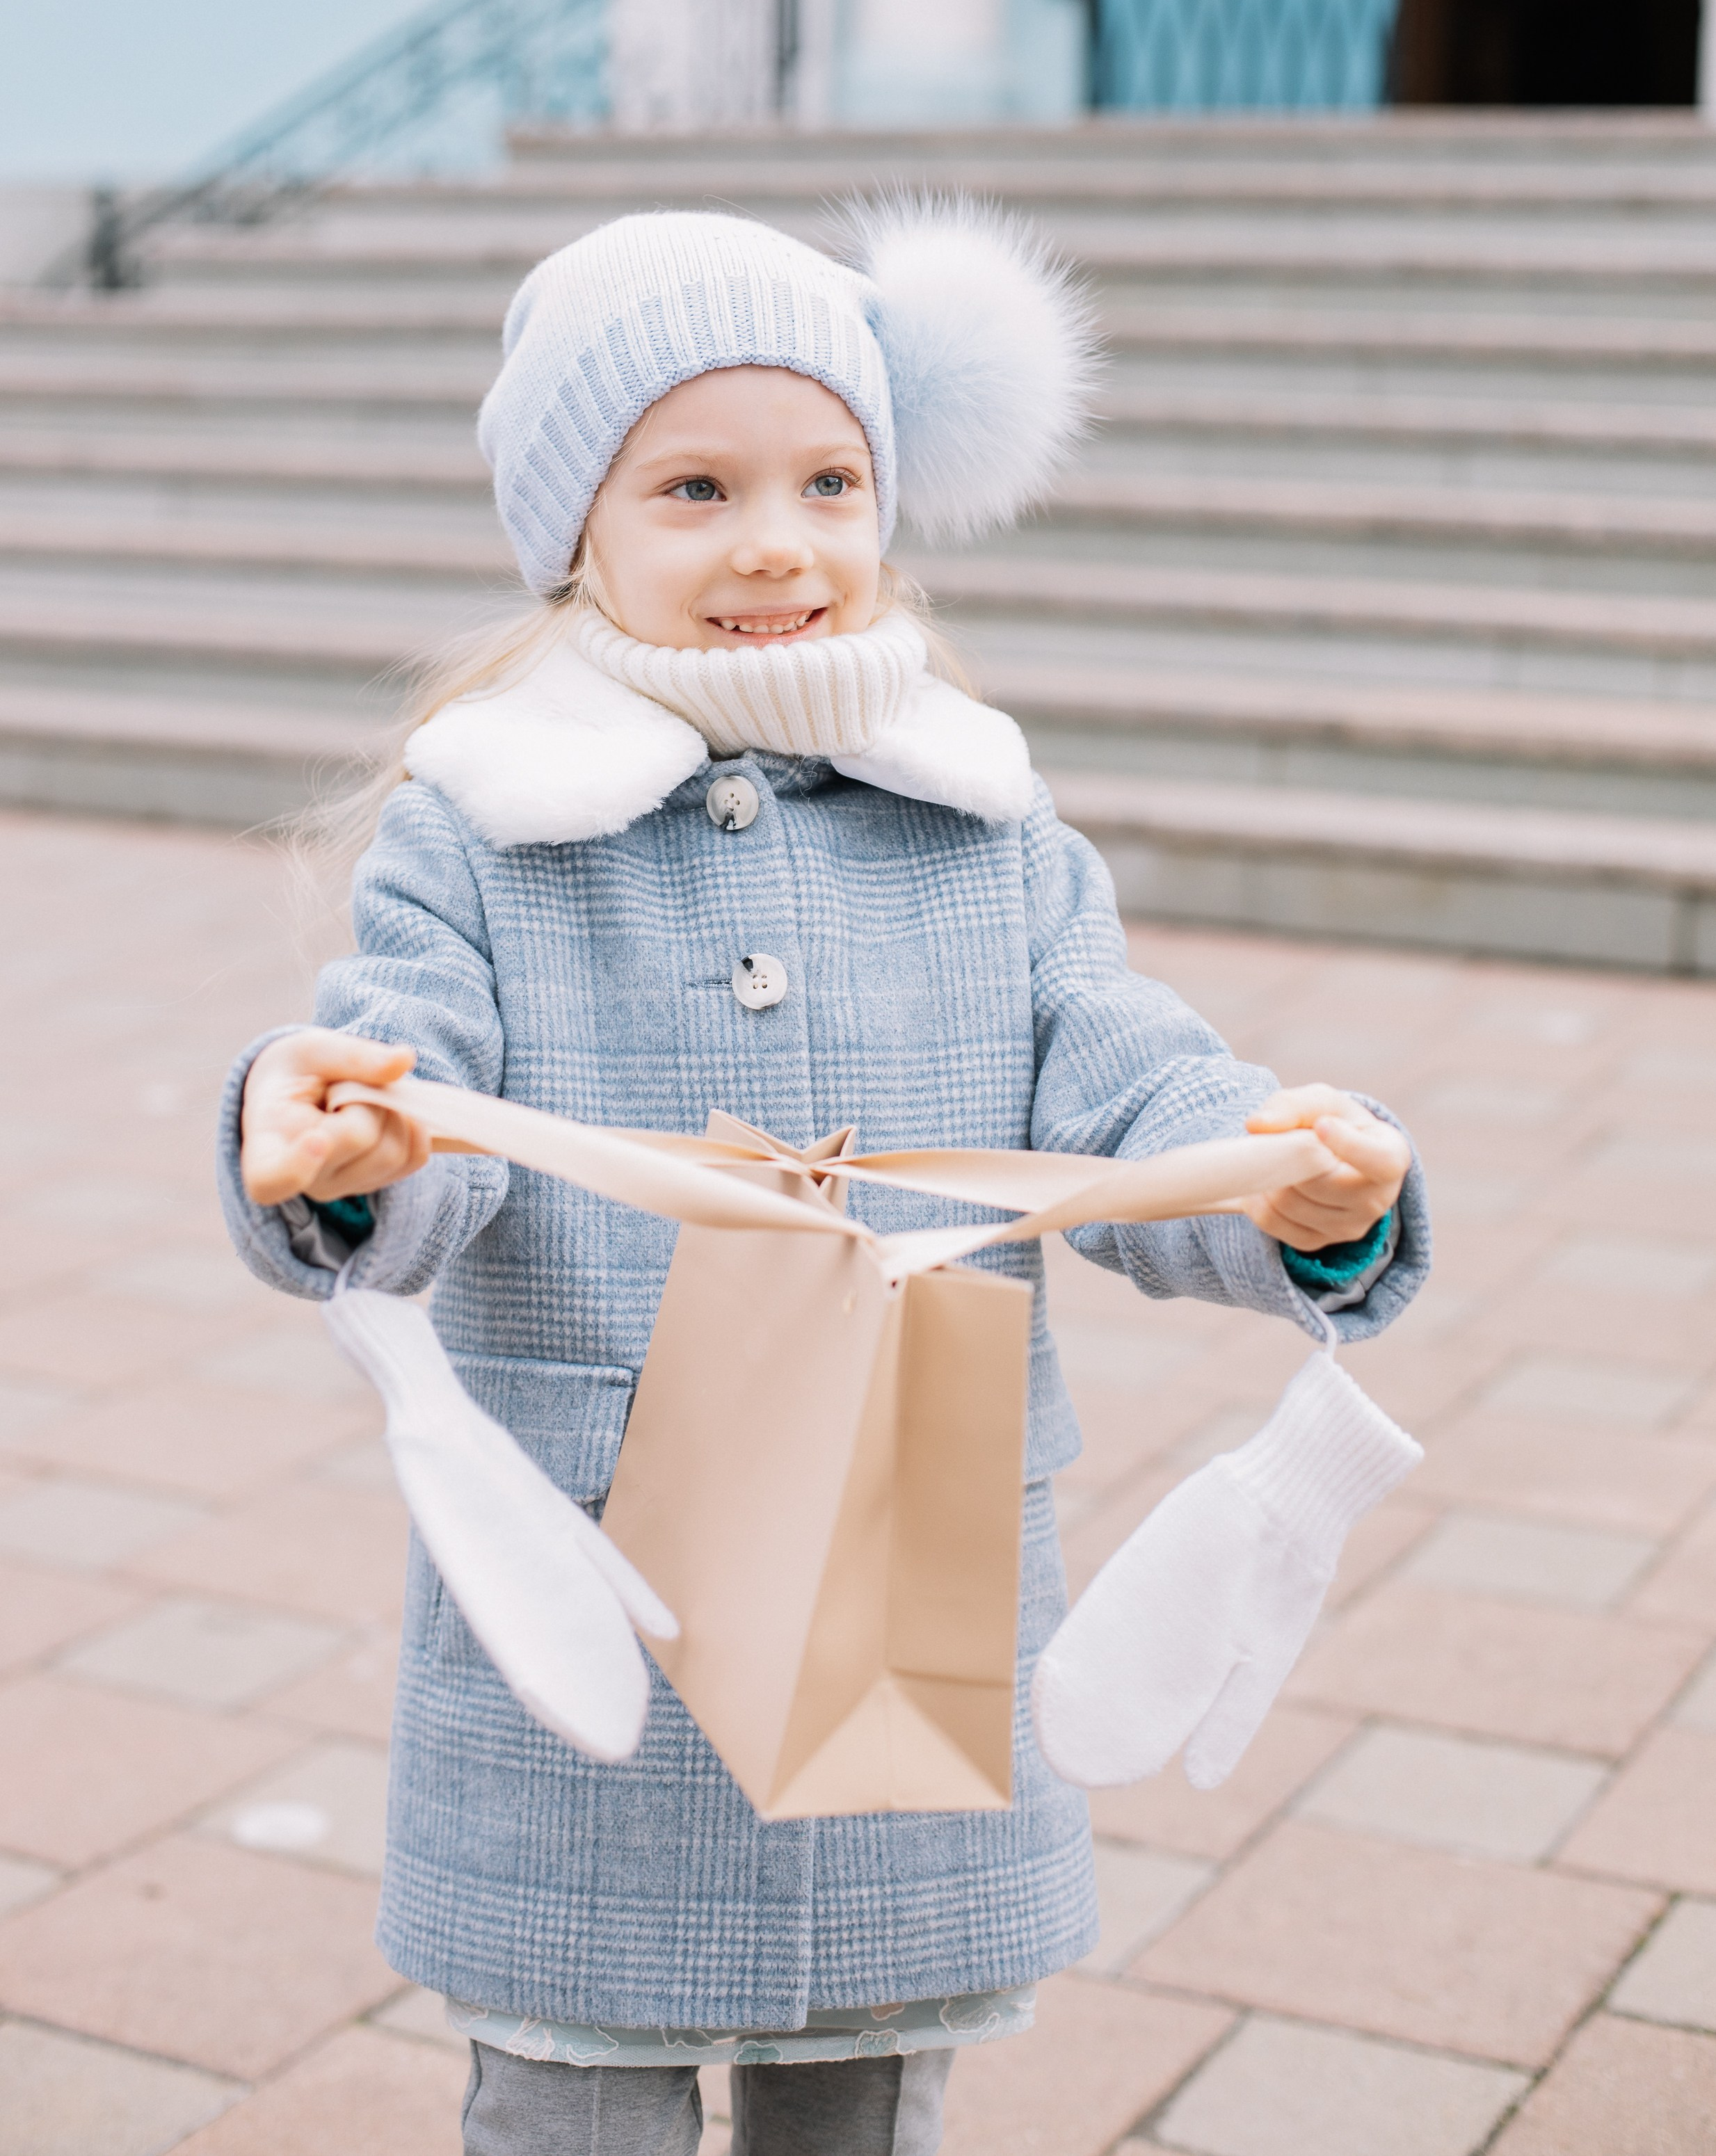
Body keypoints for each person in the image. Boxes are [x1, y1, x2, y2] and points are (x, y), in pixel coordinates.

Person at [220, 203, 1427, 2156]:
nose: (776, 538)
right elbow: (412, 1076)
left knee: (858, 2090)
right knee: (568, 2082)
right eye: (694, 484)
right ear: (576, 526)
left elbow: (1125, 1074)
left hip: (902, 1554)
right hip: (618, 1576)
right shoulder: (482, 824)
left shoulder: (982, 821)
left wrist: (1287, 1183)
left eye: (828, 478)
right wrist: (350, 1150)